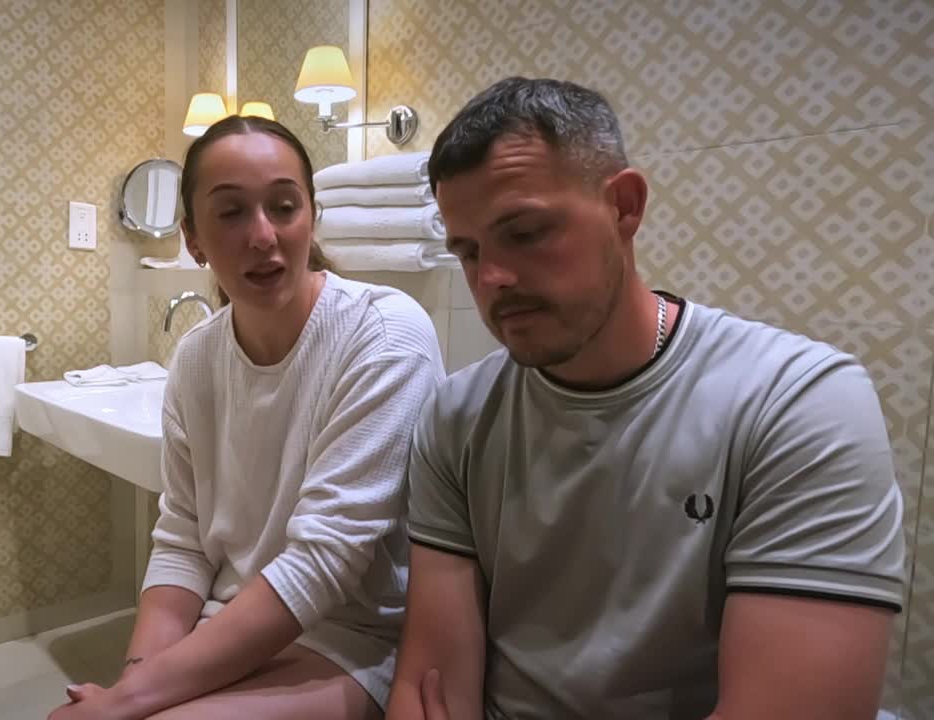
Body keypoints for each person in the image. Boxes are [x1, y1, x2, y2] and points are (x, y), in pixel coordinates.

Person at [385, 77, 906, 720]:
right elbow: (432, 689)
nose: (492, 277)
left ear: (624, 206)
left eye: (525, 232)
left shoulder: (797, 404)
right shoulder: (457, 418)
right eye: (468, 252)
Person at [48, 115, 445, 720]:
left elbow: (323, 564)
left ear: (312, 216)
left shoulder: (383, 336)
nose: (263, 235)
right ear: (193, 238)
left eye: (284, 207)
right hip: (230, 624)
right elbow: (183, 540)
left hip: (351, 642)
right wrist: (137, 682)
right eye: (231, 212)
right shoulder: (196, 357)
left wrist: (125, 703)